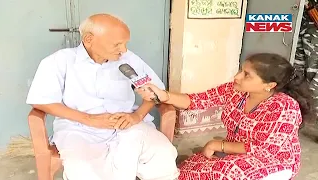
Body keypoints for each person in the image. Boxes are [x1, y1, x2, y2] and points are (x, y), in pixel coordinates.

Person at [26, 14, 179, 180]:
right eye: (117, 44)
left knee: (162, 155)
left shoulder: (128, 59)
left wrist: (137, 115)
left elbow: (155, 92)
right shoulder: (60, 61)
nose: (123, 49)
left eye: (125, 43)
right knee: (83, 169)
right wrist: (89, 119)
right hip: (79, 128)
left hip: (128, 124)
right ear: (89, 39)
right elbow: (40, 100)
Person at [136, 53, 313, 180]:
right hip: (233, 151)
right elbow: (196, 101)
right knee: (189, 170)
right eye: (240, 70)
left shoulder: (284, 107)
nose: (236, 77)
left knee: (224, 173)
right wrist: (164, 95)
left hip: (272, 161)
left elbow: (265, 150)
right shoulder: (235, 90)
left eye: (246, 75)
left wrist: (218, 144)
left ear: (269, 85)